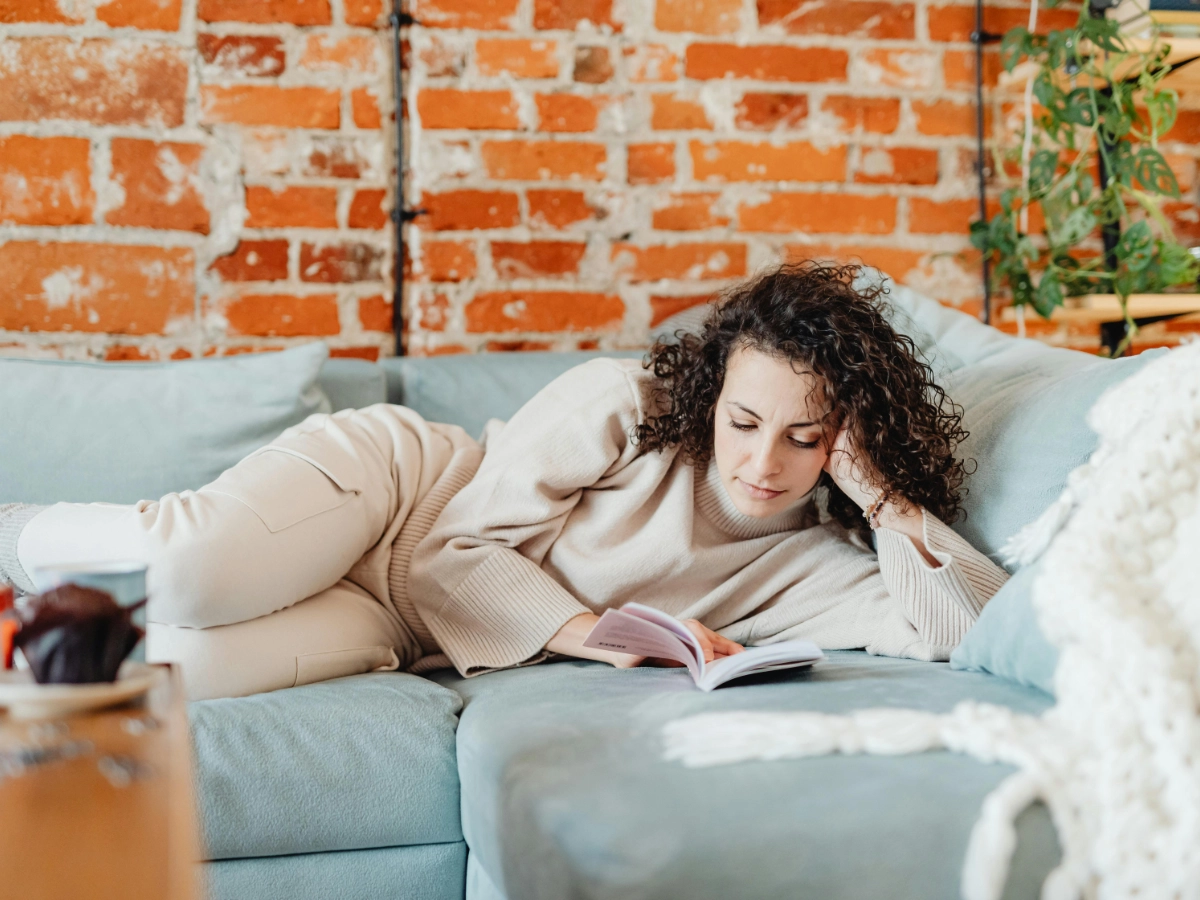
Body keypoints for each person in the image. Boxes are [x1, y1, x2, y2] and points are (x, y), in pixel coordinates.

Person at [0, 263, 1006, 700]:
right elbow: (450, 547)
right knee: (188, 567)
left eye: (804, 438)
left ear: (843, 438)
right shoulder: (627, 403)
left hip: (403, 630)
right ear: (711, 401)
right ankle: (16, 536)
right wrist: (590, 636)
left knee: (177, 674)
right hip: (399, 499)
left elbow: (970, 631)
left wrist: (882, 498)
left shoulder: (815, 554)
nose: (761, 462)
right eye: (743, 424)